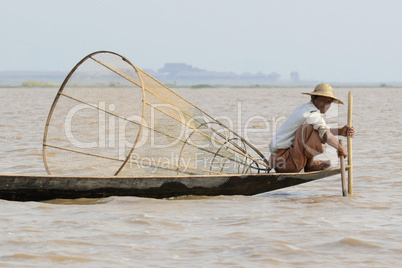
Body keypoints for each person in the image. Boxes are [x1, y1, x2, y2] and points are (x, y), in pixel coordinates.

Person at [268, 83, 355, 173]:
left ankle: (310, 164)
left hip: (279, 162)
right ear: (313, 98)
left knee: (313, 129)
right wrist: (341, 149)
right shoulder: (313, 114)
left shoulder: (303, 108)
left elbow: (323, 132)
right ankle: (310, 165)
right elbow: (326, 135)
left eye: (328, 102)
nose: (325, 105)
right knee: (309, 129)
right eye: (322, 100)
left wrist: (340, 131)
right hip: (285, 162)